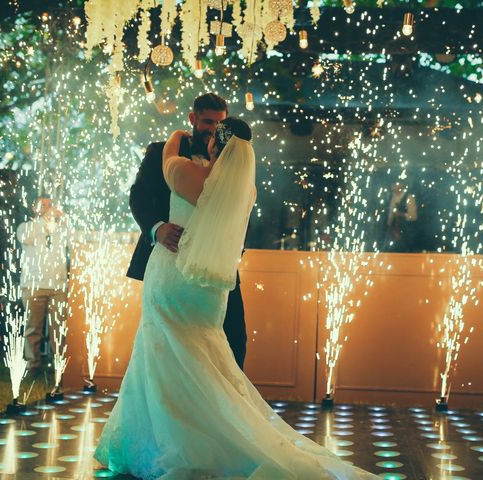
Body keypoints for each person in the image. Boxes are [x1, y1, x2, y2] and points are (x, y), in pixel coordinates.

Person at [94, 119, 379, 479]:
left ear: (215, 145)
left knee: (162, 352)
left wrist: (176, 136)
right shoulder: (246, 190)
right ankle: (212, 431)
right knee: (205, 356)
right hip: (212, 290)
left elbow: (168, 160)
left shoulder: (186, 174)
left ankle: (167, 441)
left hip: (173, 278)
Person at [127, 93, 247, 369]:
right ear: (193, 119)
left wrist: (233, 248)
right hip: (172, 262)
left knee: (235, 339)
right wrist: (157, 229)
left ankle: (223, 403)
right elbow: (139, 197)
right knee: (169, 340)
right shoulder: (159, 152)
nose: (212, 129)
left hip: (217, 265)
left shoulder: (230, 165)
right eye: (207, 121)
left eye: (219, 123)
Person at [16, 196, 68, 375]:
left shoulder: (60, 227)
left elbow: (73, 238)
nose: (47, 209)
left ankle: (59, 366)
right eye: (43, 205)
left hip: (58, 286)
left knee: (59, 329)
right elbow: (26, 237)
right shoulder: (26, 227)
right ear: (35, 208)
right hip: (33, 285)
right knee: (33, 328)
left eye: (49, 205)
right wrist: (44, 219)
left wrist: (64, 218)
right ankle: (33, 365)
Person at [382, 181, 418, 252]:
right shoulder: (390, 197)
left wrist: (400, 214)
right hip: (391, 232)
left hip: (405, 233)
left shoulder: (409, 197)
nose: (393, 187)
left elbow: (413, 217)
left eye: (395, 184)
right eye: (393, 184)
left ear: (401, 185)